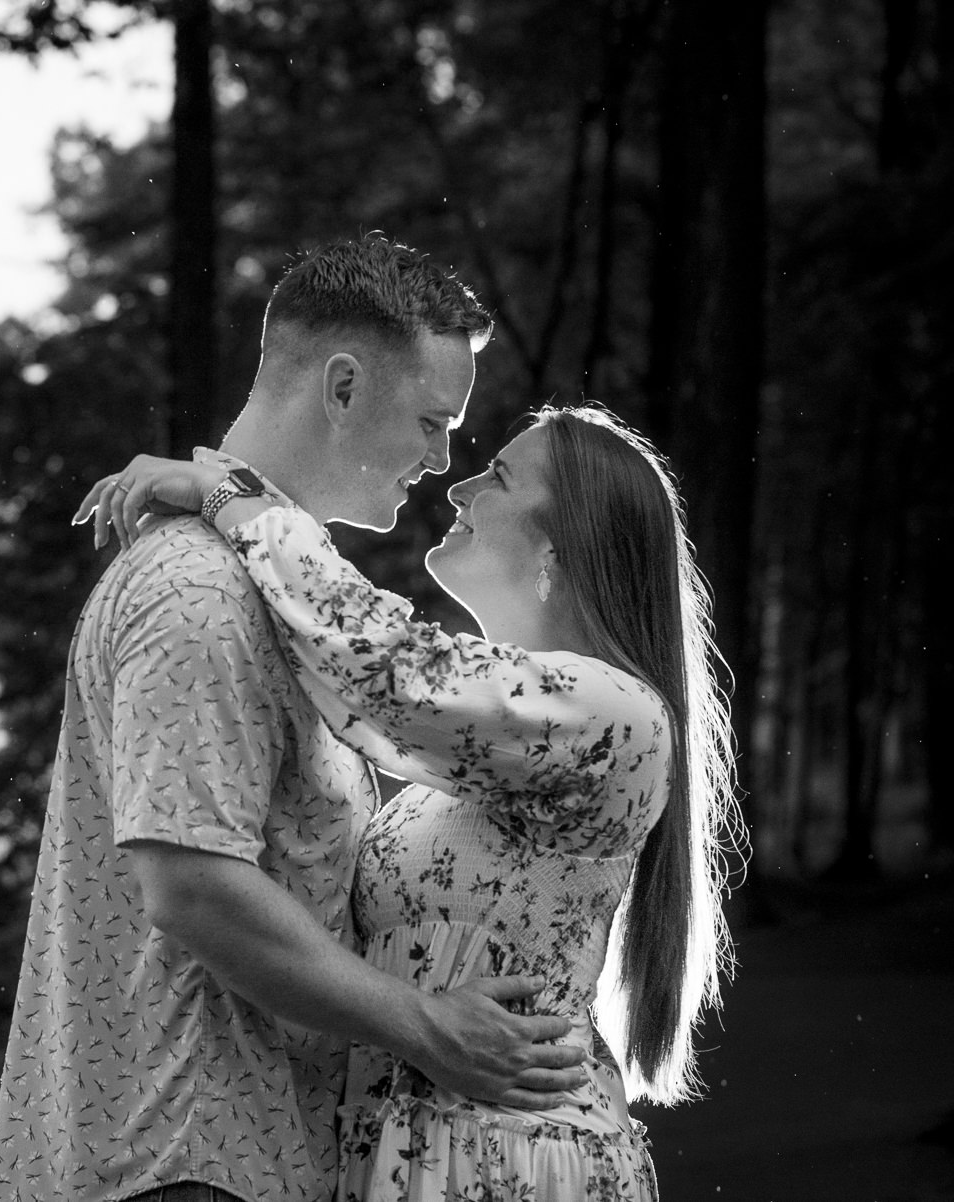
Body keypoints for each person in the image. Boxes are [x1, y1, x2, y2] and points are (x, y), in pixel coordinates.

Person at [0, 236, 589, 1202]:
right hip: (183, 1162)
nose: (439, 462)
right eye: (433, 422)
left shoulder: (268, 594)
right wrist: (429, 1025)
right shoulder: (200, 592)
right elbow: (195, 889)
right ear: (342, 388)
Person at [80, 403, 740, 1200]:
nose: (458, 488)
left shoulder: (614, 715)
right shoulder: (490, 750)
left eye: (495, 476)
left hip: (512, 1158)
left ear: (557, 547)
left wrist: (229, 496)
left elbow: (386, 668)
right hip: (410, 1151)